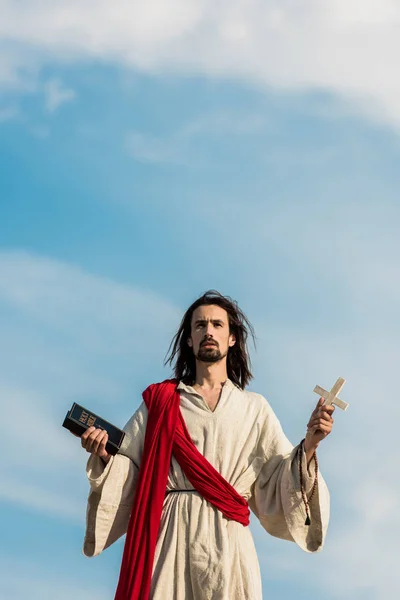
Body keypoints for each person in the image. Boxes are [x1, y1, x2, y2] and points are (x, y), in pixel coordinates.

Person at [78, 290, 334, 600]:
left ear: (231, 339)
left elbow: (278, 478)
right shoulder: (161, 403)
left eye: (216, 325)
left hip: (230, 542)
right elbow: (131, 468)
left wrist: (309, 445)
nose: (208, 331)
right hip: (171, 535)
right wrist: (105, 456)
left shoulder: (253, 408)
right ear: (189, 339)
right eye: (199, 326)